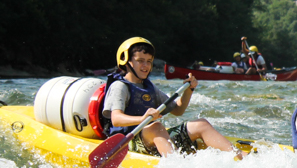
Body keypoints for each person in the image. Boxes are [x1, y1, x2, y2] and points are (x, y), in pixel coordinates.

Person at [102, 37, 241, 158]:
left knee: (201, 124)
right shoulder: (120, 86)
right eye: (140, 61)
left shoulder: (149, 87)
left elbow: (178, 110)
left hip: (152, 138)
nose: (146, 66)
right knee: (156, 126)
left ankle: (240, 157)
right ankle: (177, 167)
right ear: (126, 61)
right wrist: (142, 119)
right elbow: (116, 119)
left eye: (149, 61)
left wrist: (189, 90)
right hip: (127, 142)